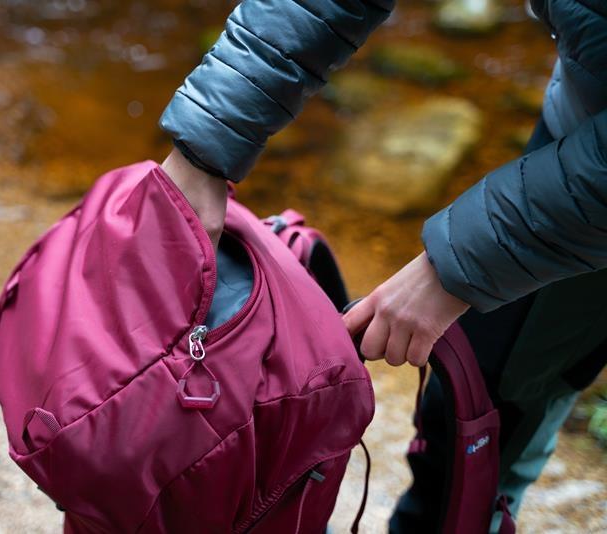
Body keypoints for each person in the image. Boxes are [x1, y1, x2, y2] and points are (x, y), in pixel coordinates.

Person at [157, 0, 607, 531]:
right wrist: (206, 144)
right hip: (580, 121)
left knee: (486, 421)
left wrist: (455, 269)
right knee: (468, 404)